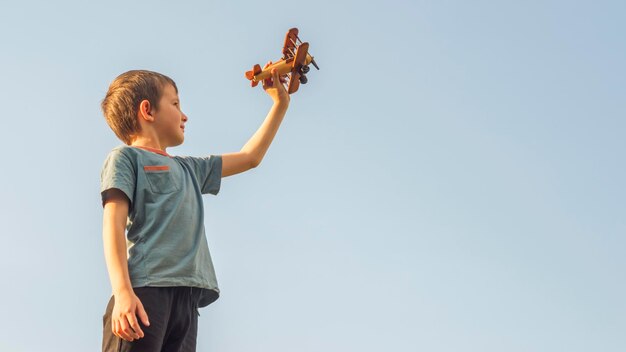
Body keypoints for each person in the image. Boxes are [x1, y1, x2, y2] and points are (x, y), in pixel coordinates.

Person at [100, 64, 289, 351]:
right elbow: (112, 223)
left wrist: (280, 104)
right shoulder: (126, 158)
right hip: (145, 293)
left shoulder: (190, 168)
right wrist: (123, 292)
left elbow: (250, 157)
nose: (184, 114)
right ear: (148, 110)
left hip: (187, 302)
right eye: (175, 104)